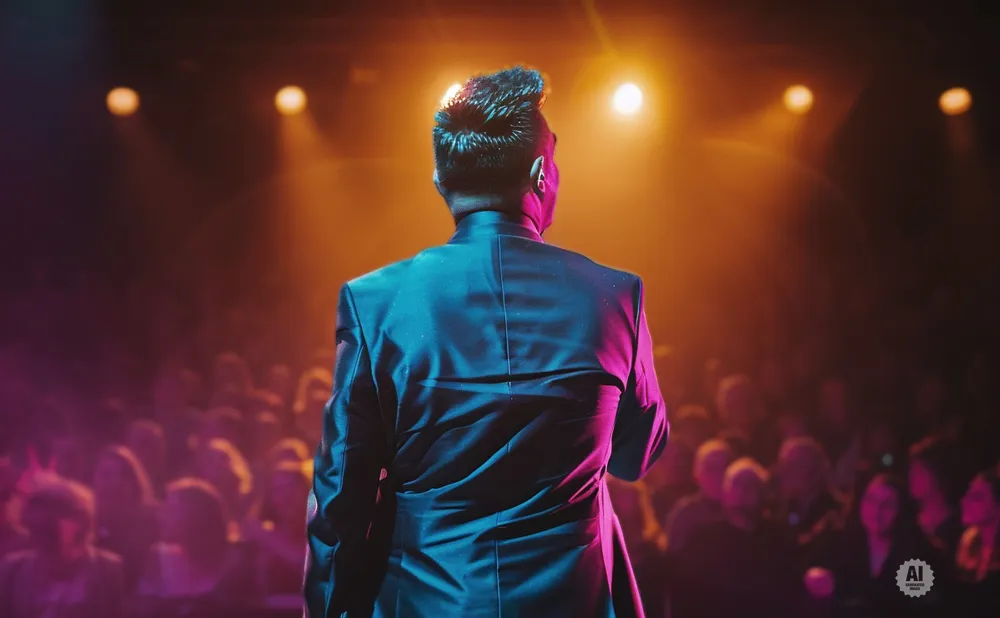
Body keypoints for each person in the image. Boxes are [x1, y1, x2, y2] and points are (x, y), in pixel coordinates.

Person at [305, 66, 668, 618]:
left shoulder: (375, 302)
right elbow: (635, 456)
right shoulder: (616, 296)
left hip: (427, 602)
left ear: (439, 179)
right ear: (542, 174)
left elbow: (341, 497)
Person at [0, 476, 125, 618]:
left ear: (81, 523)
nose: (41, 533)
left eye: (49, 525)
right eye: (36, 527)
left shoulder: (107, 570)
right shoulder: (12, 570)